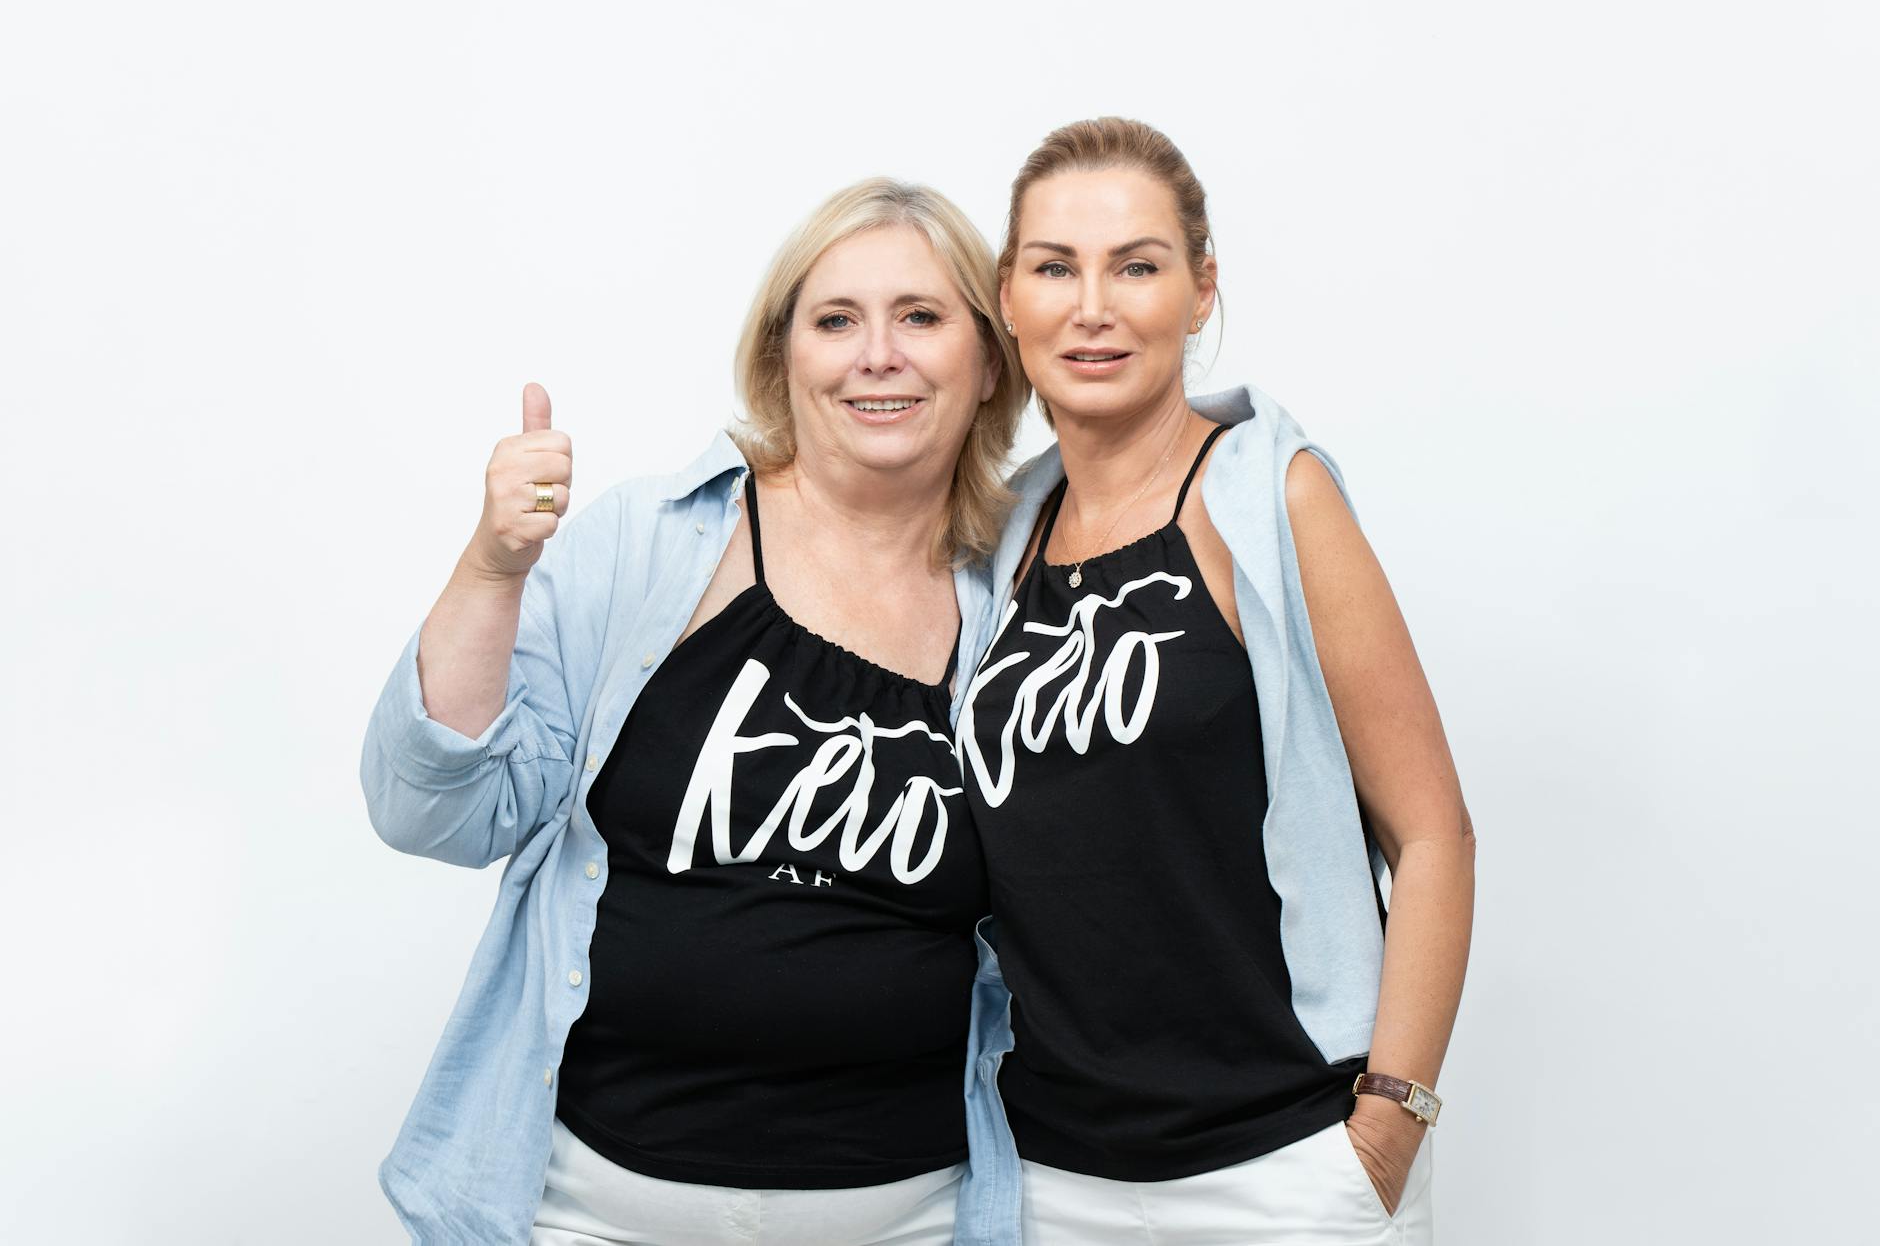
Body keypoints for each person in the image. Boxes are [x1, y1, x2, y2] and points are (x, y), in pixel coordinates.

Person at [359, 177, 1028, 1245]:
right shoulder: (650, 545)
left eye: (921, 316)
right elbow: (436, 813)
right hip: (589, 1212)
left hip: (906, 1218)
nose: (877, 354)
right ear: (781, 357)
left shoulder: (1024, 604)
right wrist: (493, 568)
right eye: (835, 320)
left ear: (988, 358)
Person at [951, 118, 1475, 1245]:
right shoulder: (996, 546)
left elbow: (1432, 833)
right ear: (1007, 294)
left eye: (1135, 265)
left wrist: (1386, 1126)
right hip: (1048, 1178)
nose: (1091, 305)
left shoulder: (1272, 504)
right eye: (1054, 267)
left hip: (1281, 1169)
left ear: (1199, 290)